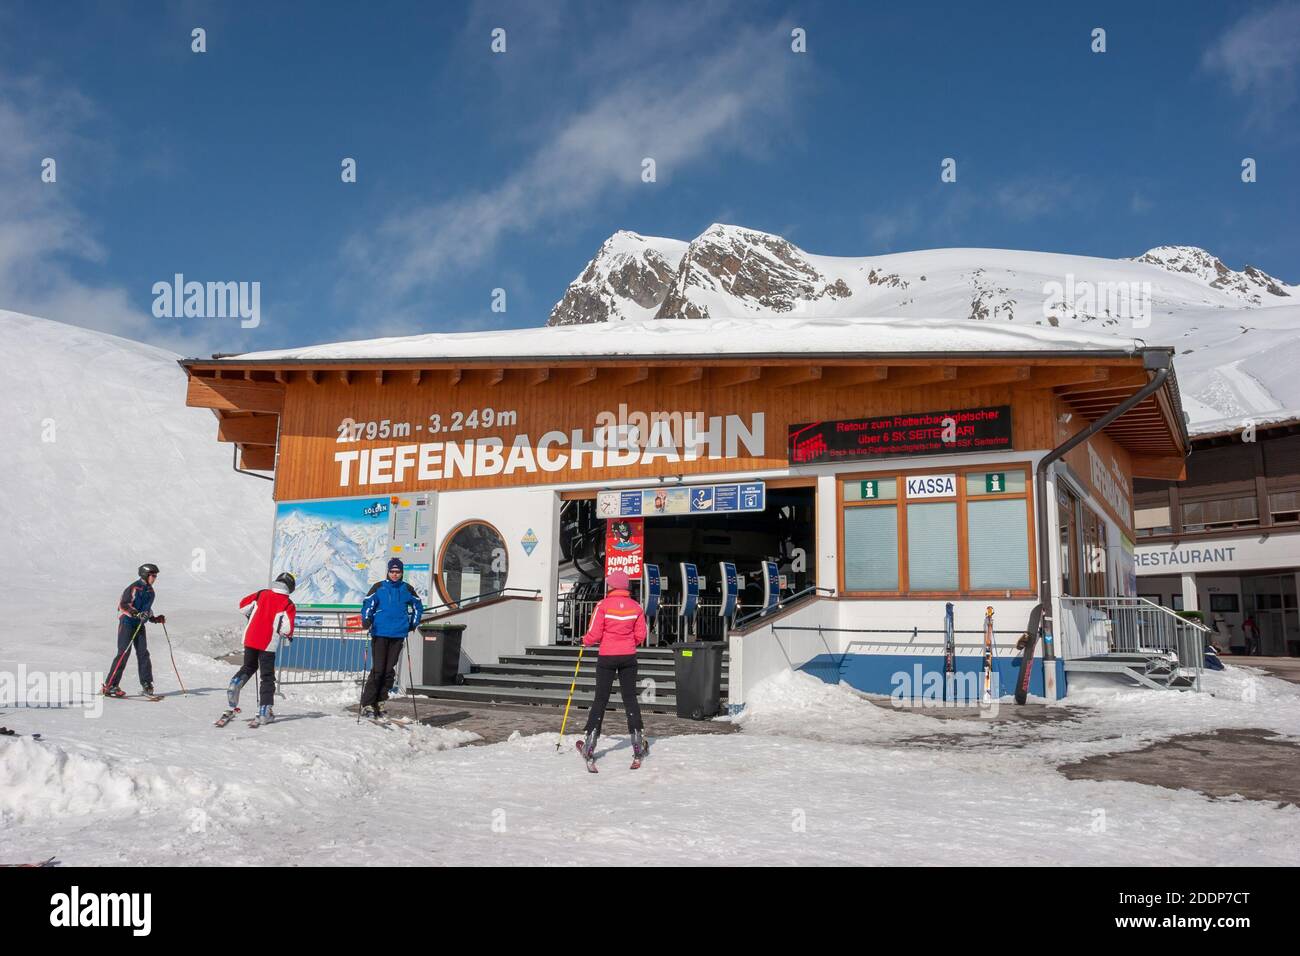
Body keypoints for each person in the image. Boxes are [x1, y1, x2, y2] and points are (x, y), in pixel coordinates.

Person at [579, 570, 648, 762]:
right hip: (628, 657)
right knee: (630, 698)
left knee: (600, 698)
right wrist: (628, 643)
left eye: (609, 583)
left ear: (612, 586)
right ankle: (636, 739)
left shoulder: (603, 605)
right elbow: (641, 634)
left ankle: (591, 742)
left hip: (607, 656)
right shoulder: (636, 607)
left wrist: (583, 640)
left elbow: (594, 633)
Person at [227, 572, 298, 723]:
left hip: (251, 638)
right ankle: (265, 711)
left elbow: (242, 606)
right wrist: (285, 634)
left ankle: (236, 682)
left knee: (249, 666)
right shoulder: (288, 603)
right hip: (268, 643)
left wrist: (253, 613)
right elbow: (287, 628)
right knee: (267, 677)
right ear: (290, 588)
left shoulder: (261, 594)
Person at [359, 558, 424, 719]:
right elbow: (367, 604)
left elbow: (417, 606)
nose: (395, 574)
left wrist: (413, 623)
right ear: (388, 572)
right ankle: (367, 704)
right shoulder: (379, 587)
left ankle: (380, 701)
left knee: (389, 671)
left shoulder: (407, 588)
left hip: (398, 634)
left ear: (402, 573)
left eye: (398, 572)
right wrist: (366, 619)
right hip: (380, 632)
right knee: (378, 669)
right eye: (392, 571)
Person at [103, 563, 166, 698]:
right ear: (145, 575)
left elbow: (146, 609)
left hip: (139, 625)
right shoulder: (134, 588)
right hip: (127, 623)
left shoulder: (150, 592)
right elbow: (123, 605)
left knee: (143, 653)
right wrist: (135, 613)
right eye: (153, 575)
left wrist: (154, 618)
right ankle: (110, 685)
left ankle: (147, 684)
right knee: (124, 653)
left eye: (155, 576)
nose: (154, 578)